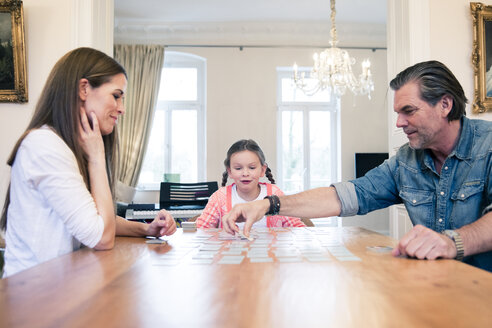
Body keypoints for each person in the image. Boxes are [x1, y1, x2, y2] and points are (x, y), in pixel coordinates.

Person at [222, 60, 492, 272]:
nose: (398, 123)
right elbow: (348, 195)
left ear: (445, 104)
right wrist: (268, 204)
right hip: (437, 285)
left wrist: (449, 242)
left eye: (408, 111)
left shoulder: (488, 145)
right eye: (397, 113)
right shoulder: (406, 161)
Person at [0, 47, 176, 277]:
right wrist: (96, 158)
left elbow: (97, 219)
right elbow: (101, 236)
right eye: (116, 95)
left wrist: (146, 228)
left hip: (58, 287)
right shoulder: (44, 146)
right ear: (84, 88)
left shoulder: (65, 147)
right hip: (34, 294)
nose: (122, 109)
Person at [196, 139, 305, 229]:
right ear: (230, 171)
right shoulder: (220, 197)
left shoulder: (275, 193)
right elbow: (201, 229)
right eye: (238, 168)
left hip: (269, 254)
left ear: (262, 170)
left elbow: (296, 227)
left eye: (252, 168)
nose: (245, 173)